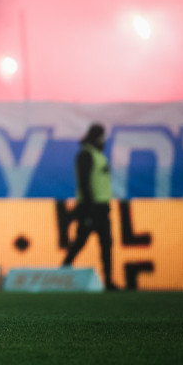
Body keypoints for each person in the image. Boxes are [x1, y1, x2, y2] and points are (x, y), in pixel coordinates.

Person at [62, 123, 118, 291]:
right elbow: (84, 183)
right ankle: (61, 273)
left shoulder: (97, 155)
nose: (103, 141)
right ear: (96, 137)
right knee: (80, 242)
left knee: (106, 244)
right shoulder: (85, 155)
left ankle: (108, 281)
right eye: (101, 137)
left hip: (102, 207)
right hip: (91, 207)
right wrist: (87, 209)